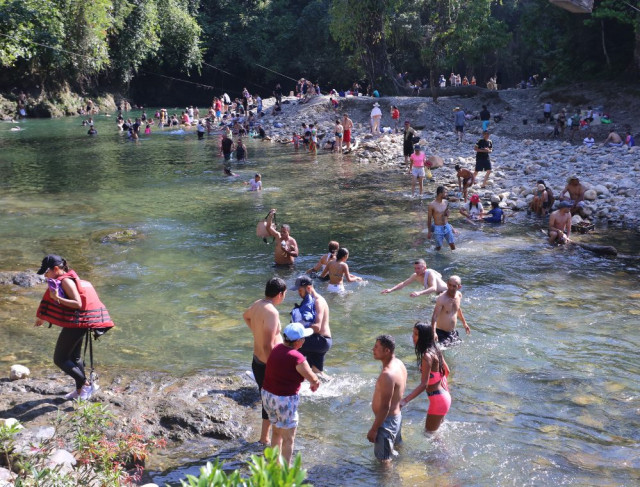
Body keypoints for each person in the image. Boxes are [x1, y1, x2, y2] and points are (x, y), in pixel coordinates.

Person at [34, 255, 114, 401]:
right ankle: (80, 390)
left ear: (56, 269)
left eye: (47, 272)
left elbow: (77, 303)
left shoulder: (65, 281)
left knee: (59, 359)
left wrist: (57, 298)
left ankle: (87, 385)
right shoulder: (64, 279)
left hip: (78, 323)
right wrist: (43, 316)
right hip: (80, 322)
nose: (45, 276)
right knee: (74, 357)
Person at [261, 322, 320, 465]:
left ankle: (275, 466)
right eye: (303, 339)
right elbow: (312, 378)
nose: (304, 341)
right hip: (284, 400)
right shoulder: (297, 358)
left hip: (268, 396)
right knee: (289, 438)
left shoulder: (276, 349)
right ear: (298, 342)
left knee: (276, 432)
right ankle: (286, 472)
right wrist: (315, 382)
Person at [243, 277, 287, 444]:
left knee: (266, 399)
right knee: (271, 401)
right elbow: (269, 344)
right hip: (268, 362)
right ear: (280, 294)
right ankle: (266, 438)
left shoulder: (257, 304)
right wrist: (274, 366)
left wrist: (256, 332)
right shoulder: (272, 312)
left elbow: (245, 316)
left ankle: (265, 437)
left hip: (257, 360)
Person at [399, 322, 451, 432]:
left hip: (438, 400)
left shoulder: (427, 356)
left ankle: (446, 450)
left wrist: (404, 400)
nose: (413, 337)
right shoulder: (435, 350)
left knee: (429, 435)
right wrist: (442, 388)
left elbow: (424, 384)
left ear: (424, 336)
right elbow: (447, 371)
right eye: (413, 333)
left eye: (416, 334)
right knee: (435, 435)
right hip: (444, 397)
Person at [367, 335, 407, 463]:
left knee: (384, 462)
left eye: (376, 347)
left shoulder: (387, 375)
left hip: (386, 422)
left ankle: (388, 482)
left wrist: (374, 429)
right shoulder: (399, 364)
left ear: (387, 351)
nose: (373, 349)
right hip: (396, 417)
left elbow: (385, 407)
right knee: (396, 449)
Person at [293, 276, 332, 380]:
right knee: (316, 372)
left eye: (300, 290)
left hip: (320, 340)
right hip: (320, 342)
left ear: (309, 288)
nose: (299, 293)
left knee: (288, 348)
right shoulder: (310, 301)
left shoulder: (318, 301)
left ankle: (271, 375)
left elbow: (317, 327)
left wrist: (298, 326)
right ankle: (334, 384)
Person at [430, 275, 471, 347]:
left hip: (452, 332)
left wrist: (464, 323)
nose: (451, 288)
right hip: (440, 332)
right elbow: (434, 316)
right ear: (447, 284)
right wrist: (434, 333)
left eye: (454, 286)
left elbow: (458, 309)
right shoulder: (441, 298)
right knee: (441, 353)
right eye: (450, 285)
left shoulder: (459, 295)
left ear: (459, 287)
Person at [380, 259, 447, 297]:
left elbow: (433, 288)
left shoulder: (430, 273)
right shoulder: (415, 275)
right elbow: (403, 284)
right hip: (438, 295)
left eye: (418, 268)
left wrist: (419, 293)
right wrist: (391, 290)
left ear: (425, 268)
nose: (416, 270)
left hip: (447, 292)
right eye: (415, 268)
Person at [427, 186, 455, 251]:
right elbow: (429, 219)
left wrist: (447, 214)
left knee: (452, 245)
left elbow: (447, 214)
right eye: (445, 193)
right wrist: (429, 232)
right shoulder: (432, 205)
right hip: (438, 228)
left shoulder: (445, 202)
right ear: (440, 194)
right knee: (438, 248)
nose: (446, 194)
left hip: (446, 226)